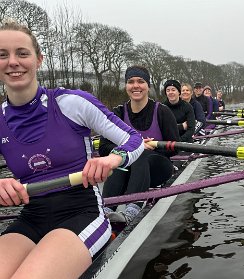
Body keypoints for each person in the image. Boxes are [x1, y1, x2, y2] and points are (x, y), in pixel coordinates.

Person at [0, 20, 144, 279]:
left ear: (39, 59)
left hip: (82, 211)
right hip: (31, 216)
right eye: (2, 55)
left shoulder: (72, 102)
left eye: (22, 53)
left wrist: (112, 159)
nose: (12, 62)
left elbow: (135, 139)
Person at [99, 66, 180, 222]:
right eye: (131, 82)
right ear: (126, 86)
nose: (136, 85)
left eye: (141, 81)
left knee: (140, 153)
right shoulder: (118, 113)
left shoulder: (162, 112)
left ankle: (132, 209)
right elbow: (103, 148)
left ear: (148, 86)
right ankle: (106, 209)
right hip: (126, 171)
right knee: (121, 155)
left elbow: (174, 148)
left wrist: (149, 147)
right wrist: (132, 146)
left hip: (158, 168)